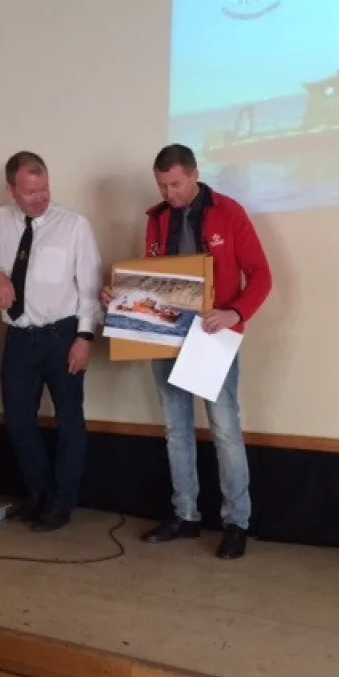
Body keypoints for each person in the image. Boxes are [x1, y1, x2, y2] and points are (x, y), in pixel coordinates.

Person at [101, 144, 272, 559]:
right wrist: (119, 298)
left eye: (175, 184)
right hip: (167, 334)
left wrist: (235, 313)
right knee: (176, 429)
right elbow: (155, 282)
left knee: (225, 429)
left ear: (195, 175)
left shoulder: (229, 212)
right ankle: (185, 514)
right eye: (162, 186)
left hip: (213, 335)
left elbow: (261, 275)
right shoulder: (156, 218)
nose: (169, 193)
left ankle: (237, 522)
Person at [0, 151, 103, 531]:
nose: (40, 198)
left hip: (62, 335)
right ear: (11, 189)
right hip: (18, 337)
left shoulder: (74, 225)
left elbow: (90, 287)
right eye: (30, 192)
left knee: (69, 422)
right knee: (17, 422)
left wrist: (85, 337)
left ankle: (61, 503)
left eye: (44, 189)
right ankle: (39, 493)